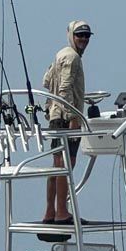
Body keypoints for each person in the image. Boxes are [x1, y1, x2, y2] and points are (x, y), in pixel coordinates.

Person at [41, 20, 93, 223]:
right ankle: (62, 212)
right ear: (72, 34)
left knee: (56, 165)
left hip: (56, 116)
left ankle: (49, 213)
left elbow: (46, 81)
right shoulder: (72, 58)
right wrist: (73, 116)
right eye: (80, 35)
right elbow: (64, 89)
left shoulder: (61, 54)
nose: (84, 39)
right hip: (65, 118)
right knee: (66, 165)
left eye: (87, 36)